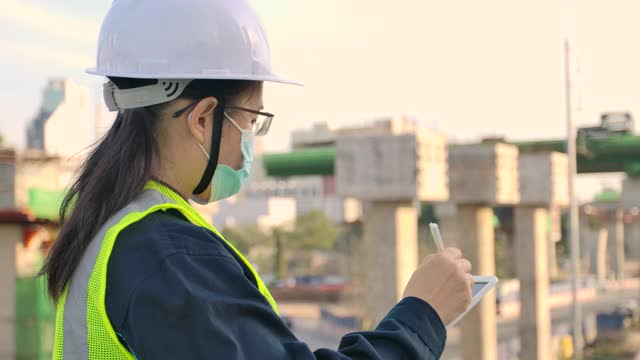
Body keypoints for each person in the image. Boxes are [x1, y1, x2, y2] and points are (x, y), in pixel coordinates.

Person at [41, 0, 474, 358]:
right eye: (251, 120)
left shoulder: (112, 225)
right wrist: (422, 315)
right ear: (203, 118)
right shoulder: (170, 257)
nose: (250, 140)